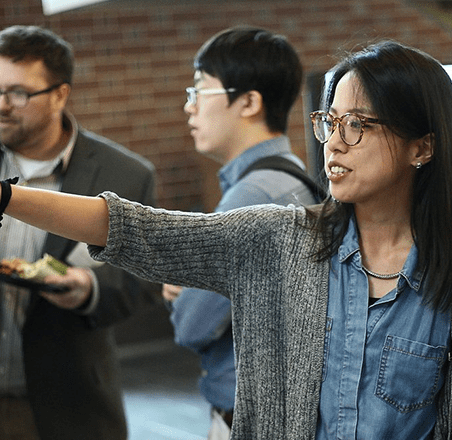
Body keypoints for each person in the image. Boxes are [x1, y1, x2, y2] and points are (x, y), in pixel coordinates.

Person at [0, 39, 452, 439]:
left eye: (360, 125)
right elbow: (133, 227)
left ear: (423, 146)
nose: (334, 143)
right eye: (329, 122)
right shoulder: (279, 240)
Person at [0, 25, 160, 440]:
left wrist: (88, 286)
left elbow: (146, 278)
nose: (0, 106)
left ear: (60, 94)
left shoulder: (126, 175)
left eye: (19, 93)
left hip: (67, 403)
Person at [160, 26, 318, 439]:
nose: (189, 108)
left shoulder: (253, 195)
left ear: (248, 102)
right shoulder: (292, 178)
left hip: (251, 420)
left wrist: (186, 288)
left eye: (199, 91)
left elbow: (191, 325)